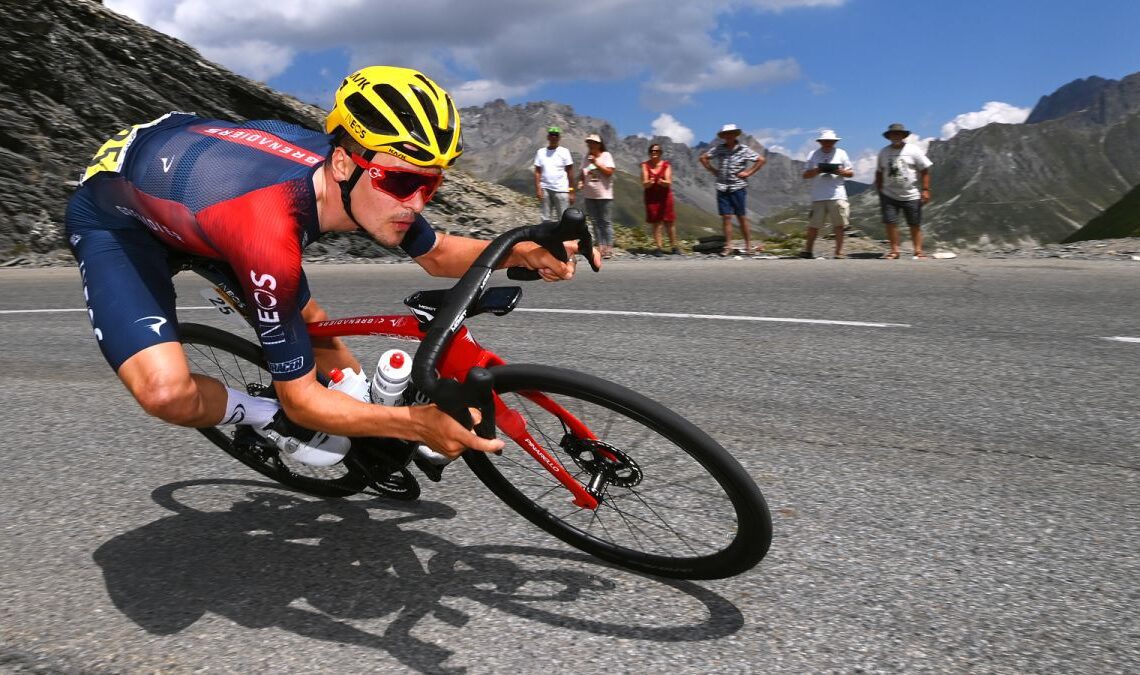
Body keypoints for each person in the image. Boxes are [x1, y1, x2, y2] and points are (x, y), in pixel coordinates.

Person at [66, 65, 594, 467]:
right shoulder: (269, 233)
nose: (417, 202)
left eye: (430, 183)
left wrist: (521, 250)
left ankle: (359, 414)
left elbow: (435, 256)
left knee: (309, 321)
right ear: (343, 163)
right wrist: (415, 424)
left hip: (200, 188)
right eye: (404, 182)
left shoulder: (366, 175)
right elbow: (302, 402)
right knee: (167, 393)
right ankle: (262, 418)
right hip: (119, 221)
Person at [699, 124, 766, 256]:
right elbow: (703, 158)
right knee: (726, 217)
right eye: (726, 134)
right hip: (722, 187)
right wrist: (713, 170)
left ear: (736, 135)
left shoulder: (743, 149)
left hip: (738, 186)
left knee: (741, 217)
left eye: (731, 133)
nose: (728, 136)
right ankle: (728, 246)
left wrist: (748, 172)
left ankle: (748, 246)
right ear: (723, 136)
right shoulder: (719, 149)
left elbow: (761, 160)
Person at [875, 122, 933, 259]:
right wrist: (880, 188)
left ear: (903, 135)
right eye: (893, 134)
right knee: (890, 223)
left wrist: (925, 189)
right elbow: (879, 171)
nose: (896, 136)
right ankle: (895, 251)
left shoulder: (913, 150)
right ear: (889, 136)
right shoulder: (883, 152)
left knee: (914, 223)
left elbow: (924, 170)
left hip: (911, 194)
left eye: (898, 134)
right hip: (889, 194)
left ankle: (918, 251)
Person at [800, 129, 854, 259]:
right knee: (814, 225)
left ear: (834, 142)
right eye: (825, 141)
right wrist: (817, 170)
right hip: (819, 195)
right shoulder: (813, 154)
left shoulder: (842, 153)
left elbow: (851, 173)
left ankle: (839, 252)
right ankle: (808, 250)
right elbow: (805, 175)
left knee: (839, 225)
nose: (828, 143)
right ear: (820, 142)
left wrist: (839, 171)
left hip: (837, 194)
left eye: (830, 141)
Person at [577, 133, 616, 259]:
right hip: (589, 195)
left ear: (599, 144)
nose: (590, 145)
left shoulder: (606, 156)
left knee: (605, 221)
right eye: (589, 142)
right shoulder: (585, 158)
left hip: (604, 195)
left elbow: (609, 172)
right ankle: (600, 246)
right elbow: (583, 173)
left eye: (593, 142)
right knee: (594, 222)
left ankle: (609, 247)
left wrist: (596, 163)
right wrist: (581, 181)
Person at [641, 143, 677, 256]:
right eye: (652, 151)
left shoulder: (666, 165)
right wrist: (649, 183)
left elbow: (669, 181)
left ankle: (674, 246)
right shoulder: (645, 165)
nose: (654, 153)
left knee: (669, 222)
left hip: (665, 197)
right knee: (656, 223)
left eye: (656, 151)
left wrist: (663, 182)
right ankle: (659, 247)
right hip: (652, 197)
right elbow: (644, 182)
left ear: (660, 153)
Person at [533, 125, 575, 222]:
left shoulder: (564, 152)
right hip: (545, 189)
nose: (554, 137)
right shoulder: (541, 152)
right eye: (552, 135)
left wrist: (572, 191)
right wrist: (538, 188)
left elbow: (570, 172)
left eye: (556, 135)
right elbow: (537, 171)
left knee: (564, 218)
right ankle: (546, 237)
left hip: (562, 190)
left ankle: (564, 237)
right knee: (545, 218)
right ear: (548, 137)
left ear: (559, 138)